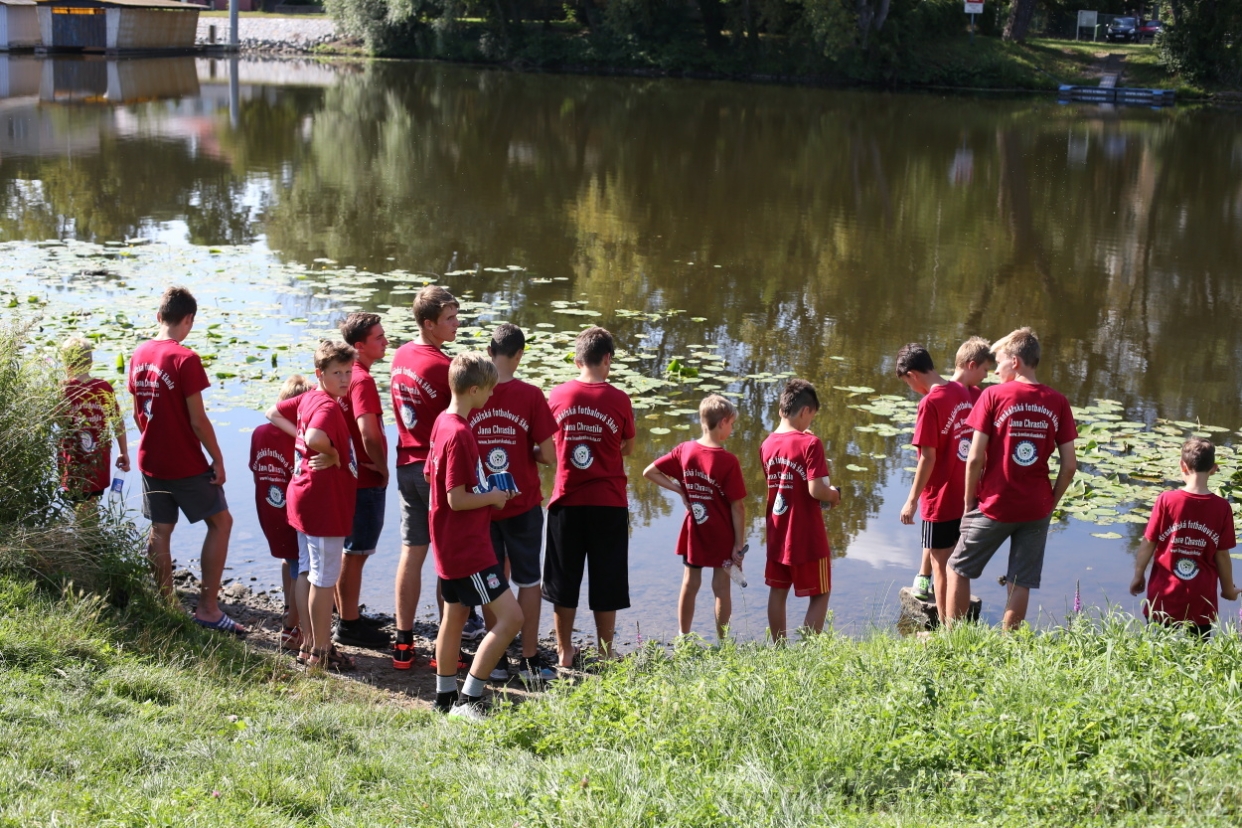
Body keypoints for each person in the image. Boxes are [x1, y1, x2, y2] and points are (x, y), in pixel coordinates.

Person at [944, 327, 1078, 630]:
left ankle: (952, 641)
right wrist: (1050, 504)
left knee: (957, 568)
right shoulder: (1058, 401)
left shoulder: (993, 395)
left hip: (995, 503)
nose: (996, 369)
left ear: (1015, 362)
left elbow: (975, 457)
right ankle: (1010, 644)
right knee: (1021, 579)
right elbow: (1069, 465)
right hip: (1036, 507)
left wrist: (968, 503)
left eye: (1000, 361)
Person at [128, 286, 243, 635]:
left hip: (150, 458)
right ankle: (208, 609)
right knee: (221, 523)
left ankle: (167, 603)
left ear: (159, 316)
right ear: (189, 319)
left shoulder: (140, 353)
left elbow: (137, 414)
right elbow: (197, 420)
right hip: (184, 462)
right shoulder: (185, 359)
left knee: (160, 529)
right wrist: (218, 457)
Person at [390, 286, 484, 671]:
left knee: (412, 552)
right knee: (449, 559)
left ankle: (403, 643)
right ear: (429, 324)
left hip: (405, 463)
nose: (456, 323)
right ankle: (447, 650)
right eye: (449, 318)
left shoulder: (400, 356)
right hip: (433, 471)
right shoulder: (441, 367)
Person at [427, 352, 523, 718]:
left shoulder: (441, 423)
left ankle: (445, 697)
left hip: (447, 544)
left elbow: (432, 479)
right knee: (512, 619)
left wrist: (486, 494)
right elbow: (455, 499)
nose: (492, 397)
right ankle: (470, 700)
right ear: (474, 389)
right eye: (489, 391)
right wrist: (493, 497)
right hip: (469, 549)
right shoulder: (461, 433)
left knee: (454, 617)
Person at [470, 323, 560, 682]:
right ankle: (530, 658)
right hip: (522, 504)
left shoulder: (473, 390)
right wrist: (527, 450)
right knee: (528, 580)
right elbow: (550, 456)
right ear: (519, 354)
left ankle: (495, 661)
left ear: (489, 352)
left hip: (481, 506)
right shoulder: (531, 395)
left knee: (493, 580)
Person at [544, 327, 636, 667]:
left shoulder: (557, 396)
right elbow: (629, 444)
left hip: (566, 500)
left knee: (562, 580)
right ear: (607, 359)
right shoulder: (619, 399)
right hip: (608, 502)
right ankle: (605, 652)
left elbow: (546, 444)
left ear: (578, 358)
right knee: (607, 578)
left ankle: (565, 652)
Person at [267, 341, 359, 671]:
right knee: (323, 579)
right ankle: (320, 651)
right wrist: (332, 453)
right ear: (320, 374)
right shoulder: (328, 407)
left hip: (303, 497)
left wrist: (299, 439)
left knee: (307, 570)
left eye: (348, 372)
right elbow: (314, 437)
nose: (345, 379)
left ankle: (309, 645)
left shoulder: (310, 397)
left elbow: (273, 412)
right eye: (337, 373)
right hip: (323, 505)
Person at [643, 394, 747, 641]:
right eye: (731, 424)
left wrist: (681, 490)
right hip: (721, 533)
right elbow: (738, 507)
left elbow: (650, 471)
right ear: (722, 422)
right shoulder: (728, 461)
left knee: (690, 583)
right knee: (721, 588)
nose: (731, 429)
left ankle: (683, 638)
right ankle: (723, 644)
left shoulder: (685, 450)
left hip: (695, 529)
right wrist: (738, 545)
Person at [903, 337, 993, 606]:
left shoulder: (930, 403)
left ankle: (945, 633)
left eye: (907, 383)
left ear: (912, 375)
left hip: (939, 500)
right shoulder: (963, 393)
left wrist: (910, 501)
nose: (911, 388)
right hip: (963, 495)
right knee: (958, 567)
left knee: (940, 565)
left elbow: (928, 458)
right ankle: (958, 630)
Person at [1130, 438, 1239, 637]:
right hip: (1201, 599)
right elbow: (1222, 555)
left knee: (1156, 653)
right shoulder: (1222, 507)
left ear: (1183, 465)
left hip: (1163, 596)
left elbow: (1149, 542)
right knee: (1198, 656)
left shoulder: (1166, 500)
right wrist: (1227, 589)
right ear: (1214, 468)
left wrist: (1138, 575)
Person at [761, 379, 840, 641]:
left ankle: (779, 649)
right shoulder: (810, 444)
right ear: (805, 411)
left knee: (778, 590)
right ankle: (806, 652)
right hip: (806, 535)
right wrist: (834, 495)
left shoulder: (767, 444)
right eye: (811, 417)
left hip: (776, 530)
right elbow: (816, 490)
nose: (810, 424)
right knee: (821, 592)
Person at [333, 312, 391, 650]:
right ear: (360, 346)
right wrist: (382, 468)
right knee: (356, 552)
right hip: (364, 479)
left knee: (350, 550)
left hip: (347, 477)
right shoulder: (363, 380)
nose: (386, 342)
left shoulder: (343, 376)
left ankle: (347, 613)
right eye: (379, 338)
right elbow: (369, 430)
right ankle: (349, 624)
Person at [249, 374, 313, 651]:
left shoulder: (259, 433)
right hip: (293, 513)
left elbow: (255, 468)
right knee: (303, 568)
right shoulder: (298, 438)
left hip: (267, 511)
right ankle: (292, 627)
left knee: (289, 561)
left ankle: (290, 613)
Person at [59, 336, 129, 502]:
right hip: (99, 463)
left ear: (66, 363)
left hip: (73, 463)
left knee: (80, 509)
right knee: (91, 506)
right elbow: (118, 423)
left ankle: (87, 528)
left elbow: (58, 422)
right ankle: (91, 528)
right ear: (90, 362)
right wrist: (123, 452)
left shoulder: (63, 389)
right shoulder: (103, 387)